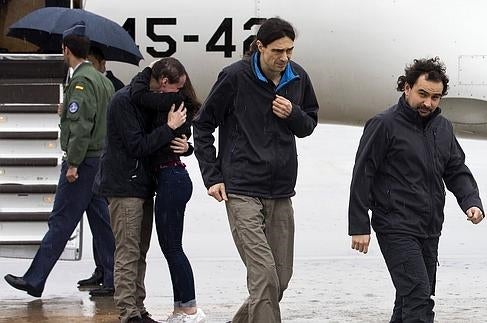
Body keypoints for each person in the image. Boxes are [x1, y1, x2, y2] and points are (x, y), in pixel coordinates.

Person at [193, 17, 320, 323]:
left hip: (280, 191)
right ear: (260, 47)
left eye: (289, 50)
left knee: (280, 280)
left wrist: (293, 114)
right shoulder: (234, 77)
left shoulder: (297, 77)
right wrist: (212, 177)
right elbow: (202, 124)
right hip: (241, 189)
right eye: (278, 50)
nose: (284, 57)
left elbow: (309, 124)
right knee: (264, 275)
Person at [348, 57, 485, 322]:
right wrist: (359, 225)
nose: (428, 103)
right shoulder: (383, 124)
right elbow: (363, 174)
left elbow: (456, 170)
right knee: (418, 296)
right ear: (406, 88)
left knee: (409, 299)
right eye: (422, 94)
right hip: (395, 224)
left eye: (435, 97)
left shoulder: (442, 128)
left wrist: (471, 201)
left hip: (430, 226)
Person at [4, 22, 116, 297]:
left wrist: (74, 163)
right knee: (102, 223)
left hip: (83, 161)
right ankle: (113, 278)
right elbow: (100, 118)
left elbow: (81, 127)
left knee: (61, 221)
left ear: (66, 50)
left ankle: (35, 279)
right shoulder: (103, 80)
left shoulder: (80, 81)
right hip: (100, 161)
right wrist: (66, 111)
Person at [93, 58, 188, 323]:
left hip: (142, 184)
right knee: (127, 251)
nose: (177, 96)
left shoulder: (146, 99)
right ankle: (128, 313)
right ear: (163, 82)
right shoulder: (125, 102)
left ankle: (139, 308)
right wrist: (168, 128)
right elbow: (137, 146)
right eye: (175, 89)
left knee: (140, 251)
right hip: (124, 186)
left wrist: (184, 144)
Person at [129, 58, 206, 323]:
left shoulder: (168, 102)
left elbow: (137, 96)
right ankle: (182, 307)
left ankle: (189, 309)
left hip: (171, 178)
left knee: (172, 247)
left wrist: (147, 69)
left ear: (163, 82)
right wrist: (189, 147)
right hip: (174, 177)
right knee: (172, 247)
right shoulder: (179, 102)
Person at [76, 47, 125, 290]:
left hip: (105, 159)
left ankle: (110, 272)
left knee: (105, 221)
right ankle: (101, 268)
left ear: (102, 62)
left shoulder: (114, 85)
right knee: (98, 220)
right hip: (100, 159)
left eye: (93, 62)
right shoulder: (90, 84)